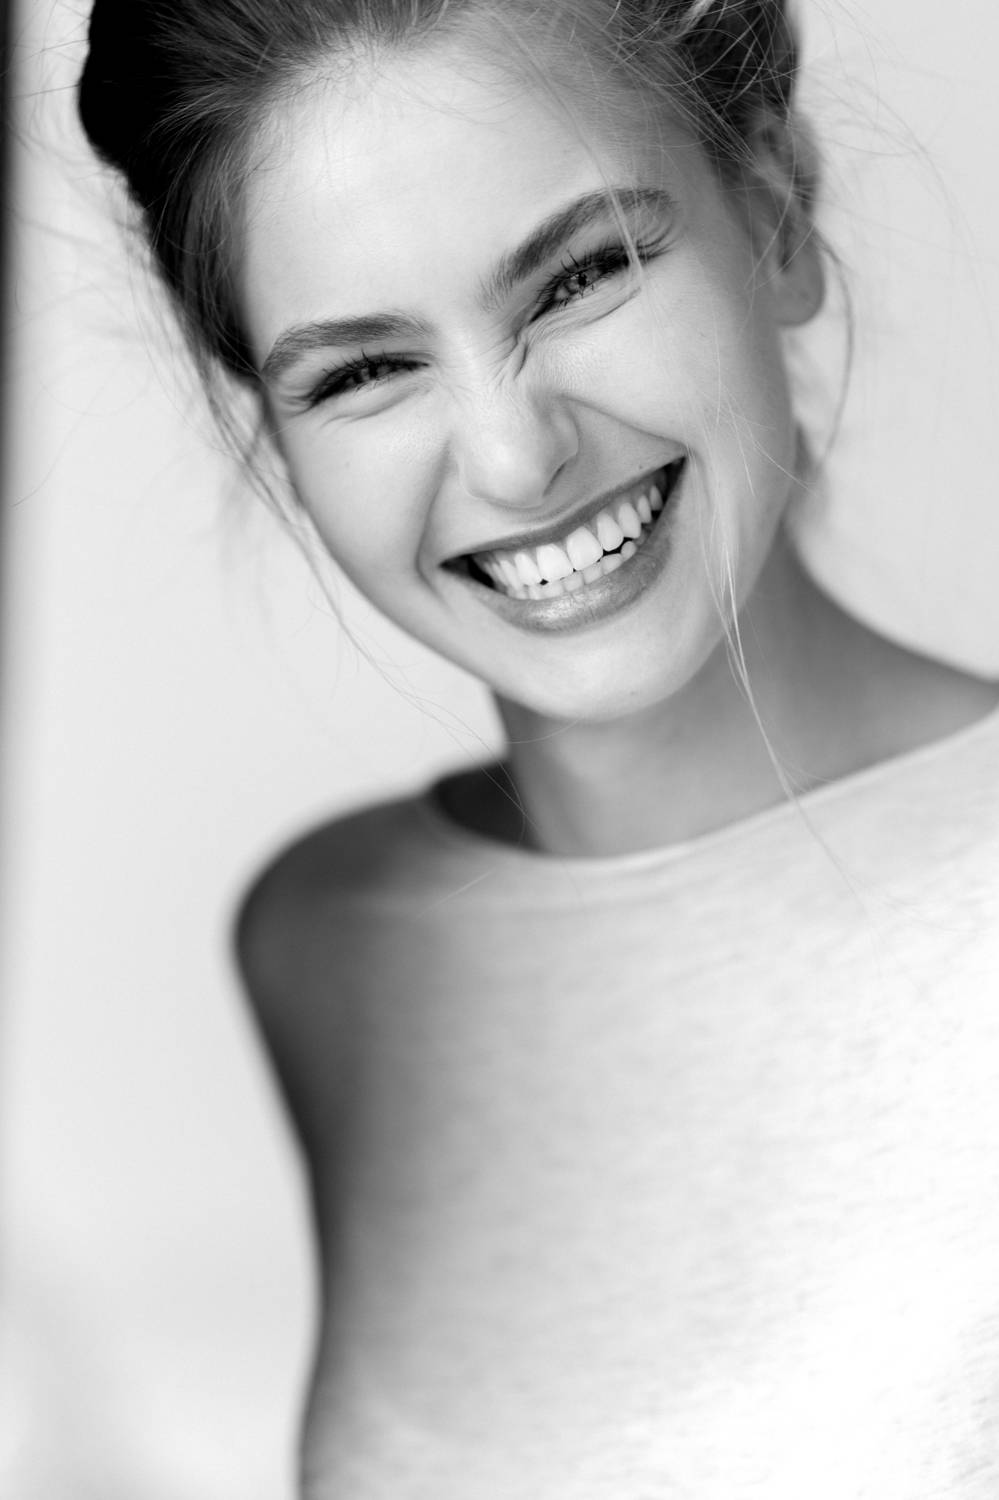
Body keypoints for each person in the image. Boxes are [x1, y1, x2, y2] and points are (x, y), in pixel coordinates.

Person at [77, 1, 999, 1494]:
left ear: (774, 218)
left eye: (581, 276)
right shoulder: (331, 945)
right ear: (277, 430)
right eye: (361, 373)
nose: (516, 460)